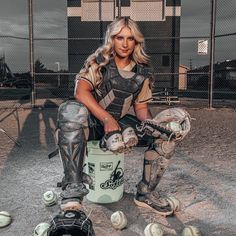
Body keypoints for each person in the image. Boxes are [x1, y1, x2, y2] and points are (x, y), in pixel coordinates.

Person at [54, 17, 190, 231]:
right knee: (70, 110)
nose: (125, 44)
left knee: (166, 137)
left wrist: (159, 127)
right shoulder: (99, 61)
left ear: (136, 42)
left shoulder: (143, 71)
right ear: (112, 39)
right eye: (119, 38)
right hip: (94, 122)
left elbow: (141, 110)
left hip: (123, 126)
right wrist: (107, 119)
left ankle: (145, 192)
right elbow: (80, 92)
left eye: (130, 39)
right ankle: (72, 194)